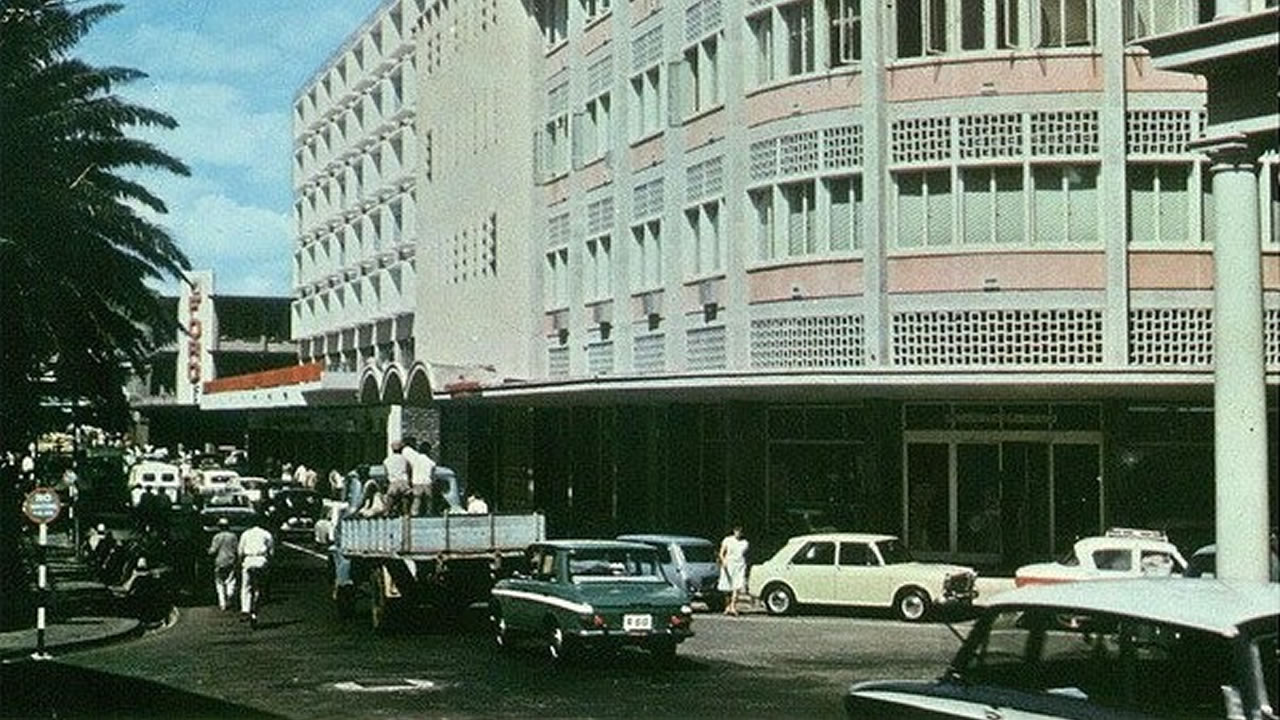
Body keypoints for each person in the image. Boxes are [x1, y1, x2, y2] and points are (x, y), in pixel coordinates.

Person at [237, 518, 274, 623]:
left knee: (246, 587)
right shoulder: (267, 534)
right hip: (261, 560)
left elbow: (240, 551)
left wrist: (239, 562)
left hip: (248, 560)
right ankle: (255, 611)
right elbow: (271, 551)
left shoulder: (245, 534)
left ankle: (245, 610)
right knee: (259, 588)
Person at [207, 517, 239, 611]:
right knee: (230, 580)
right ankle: (230, 595)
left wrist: (208, 551)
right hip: (231, 561)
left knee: (219, 583)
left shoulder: (216, 537)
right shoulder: (233, 536)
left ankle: (222, 604)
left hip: (219, 562)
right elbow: (236, 549)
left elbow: (213, 551)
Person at [718, 524, 750, 616]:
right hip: (728, 565)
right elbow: (722, 552)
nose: (738, 533)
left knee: (737, 586)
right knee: (727, 587)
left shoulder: (745, 543)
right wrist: (723, 560)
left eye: (740, 531)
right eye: (737, 531)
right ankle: (727, 606)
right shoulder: (727, 540)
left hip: (739, 566)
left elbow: (744, 555)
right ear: (734, 531)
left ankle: (733, 606)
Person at [402, 437, 436, 517]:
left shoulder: (416, 459)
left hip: (416, 482)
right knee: (429, 500)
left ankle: (414, 512)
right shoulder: (431, 462)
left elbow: (409, 467)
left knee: (417, 499)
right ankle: (429, 513)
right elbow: (432, 473)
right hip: (427, 482)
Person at [383, 440, 411, 516]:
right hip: (403, 481)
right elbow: (408, 471)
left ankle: (388, 512)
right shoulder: (405, 459)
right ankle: (406, 514)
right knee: (405, 499)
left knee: (390, 499)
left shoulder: (387, 461)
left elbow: (386, 473)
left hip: (393, 482)